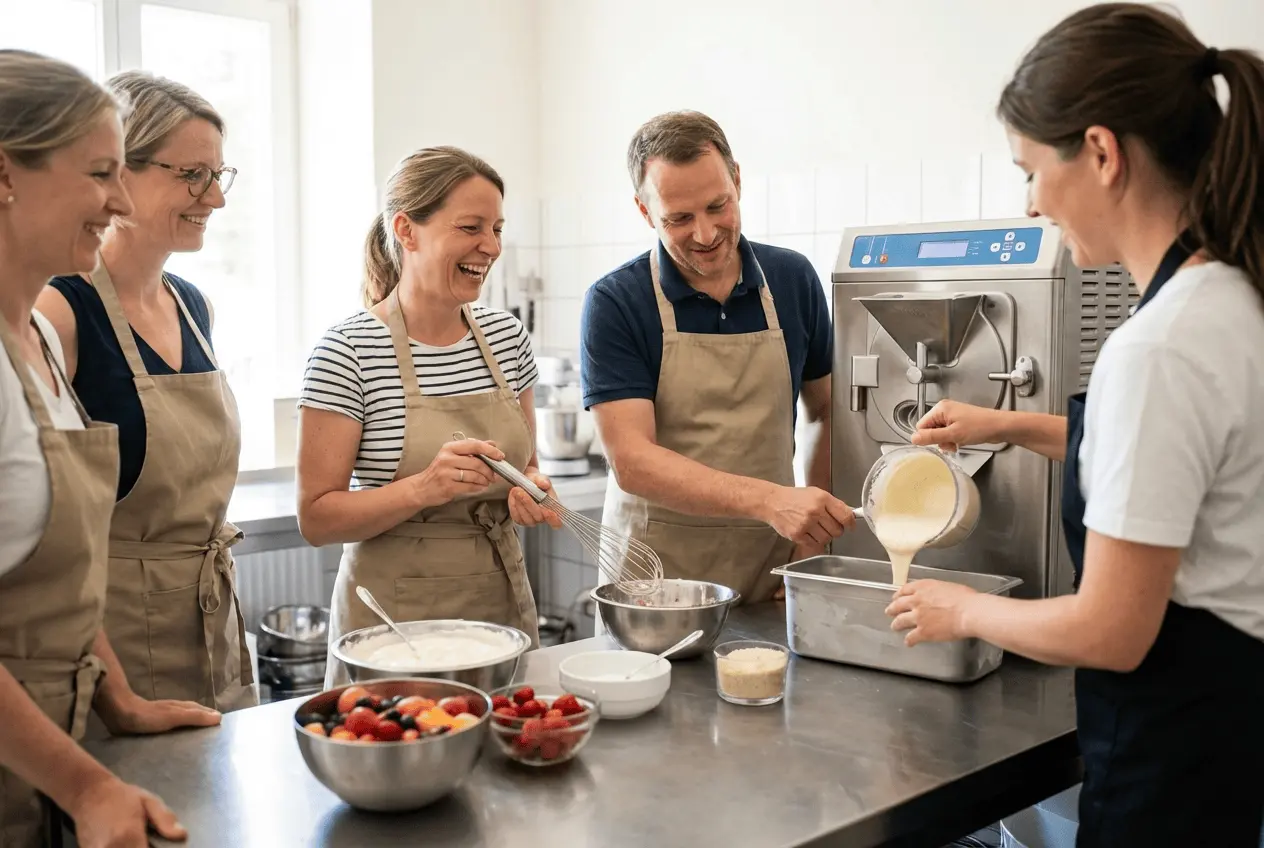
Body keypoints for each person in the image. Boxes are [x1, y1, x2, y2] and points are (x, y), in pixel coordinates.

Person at [884, 5, 1264, 846]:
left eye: (1029, 170)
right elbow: (1171, 462)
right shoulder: (1232, 300)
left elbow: (1112, 630)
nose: (1029, 203)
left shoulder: (1159, 347)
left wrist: (963, 609)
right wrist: (1005, 423)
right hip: (1228, 734)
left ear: (1100, 152)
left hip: (1167, 762)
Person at [0, 50, 219, 848]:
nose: (118, 200)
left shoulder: (34, 349)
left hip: (46, 766)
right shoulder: (55, 325)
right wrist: (87, 784)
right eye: (101, 172)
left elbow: (57, 571)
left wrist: (117, 699)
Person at [297, 146, 561, 685]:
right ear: (407, 230)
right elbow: (316, 518)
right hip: (392, 630)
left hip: (499, 607)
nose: (490, 247)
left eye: (497, 229)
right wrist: (425, 487)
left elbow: (528, 463)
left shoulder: (508, 338)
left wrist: (532, 488)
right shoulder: (349, 350)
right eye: (470, 227)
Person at [36, 72, 255, 714]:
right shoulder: (61, 312)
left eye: (220, 175)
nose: (214, 198)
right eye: (192, 174)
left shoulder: (193, 307)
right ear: (115, 174)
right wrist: (117, 697)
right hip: (116, 648)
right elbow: (50, 535)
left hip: (211, 624)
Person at [579, 110, 851, 604]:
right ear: (645, 212)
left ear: (738, 181)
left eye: (717, 206)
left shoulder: (792, 280)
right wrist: (772, 501)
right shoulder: (617, 301)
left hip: (772, 566)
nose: (704, 235)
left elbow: (827, 410)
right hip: (654, 582)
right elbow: (632, 461)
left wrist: (813, 541)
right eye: (679, 219)